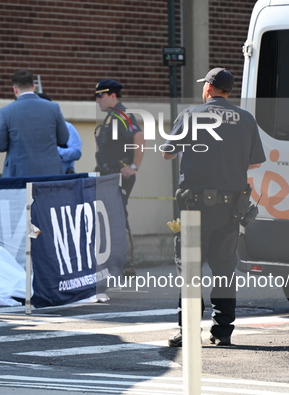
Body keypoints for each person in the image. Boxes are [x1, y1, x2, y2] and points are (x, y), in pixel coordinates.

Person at [163, 68, 266, 347]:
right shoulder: (245, 119)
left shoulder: (191, 115)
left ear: (209, 87)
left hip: (195, 207)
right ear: (228, 91)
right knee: (224, 270)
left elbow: (167, 152)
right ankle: (222, 333)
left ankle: (188, 331)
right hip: (231, 207)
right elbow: (255, 163)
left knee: (190, 269)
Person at [94, 79, 144, 276]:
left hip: (118, 175)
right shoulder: (113, 117)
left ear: (112, 95)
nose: (97, 100)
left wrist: (134, 167)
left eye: (100, 95)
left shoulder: (122, 115)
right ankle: (115, 261)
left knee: (119, 215)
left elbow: (139, 137)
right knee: (112, 216)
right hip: (108, 175)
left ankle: (126, 263)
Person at [0, 70, 69, 177]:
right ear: (34, 86)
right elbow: (63, 139)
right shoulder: (53, 108)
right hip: (51, 173)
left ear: (15, 89)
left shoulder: (5, 112)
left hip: (19, 174)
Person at [37, 93, 82, 174]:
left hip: (62, 177)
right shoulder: (30, 129)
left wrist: (53, 150)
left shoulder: (67, 127)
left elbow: (76, 153)